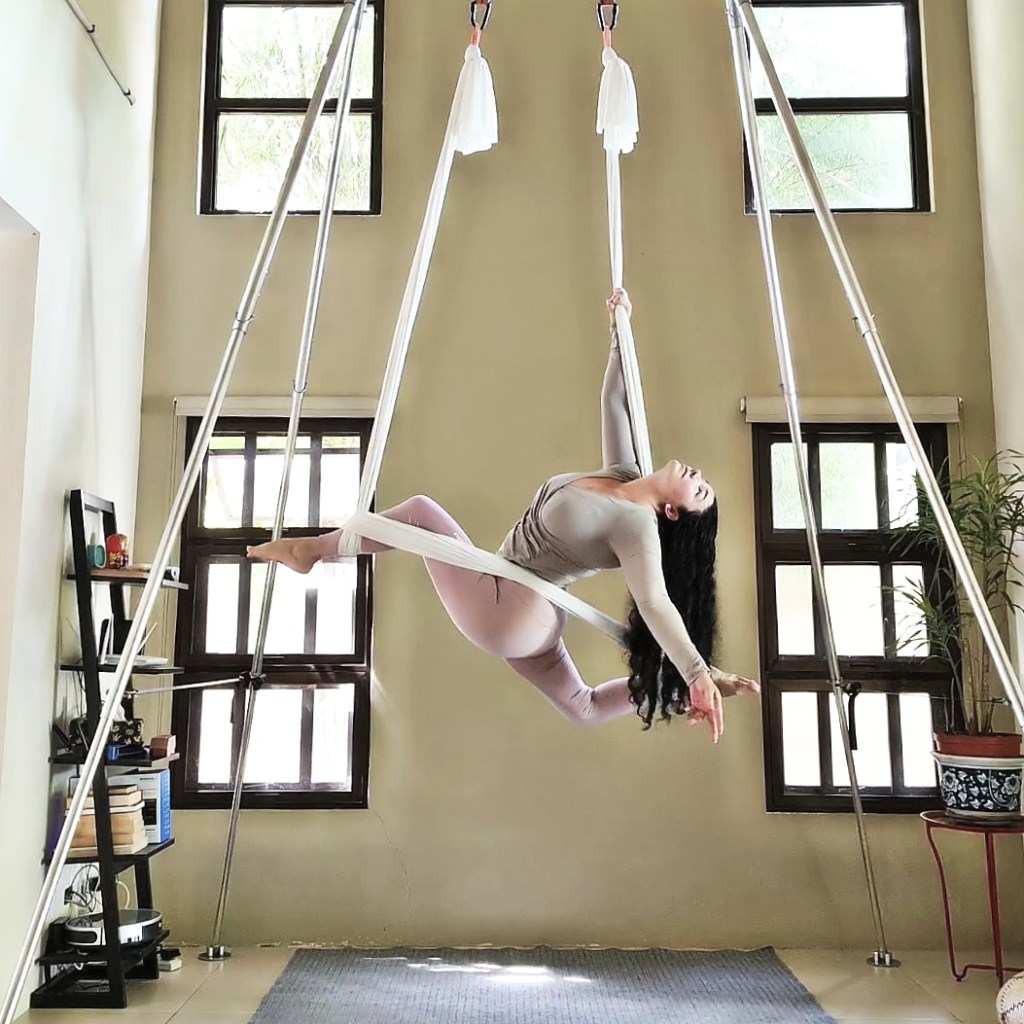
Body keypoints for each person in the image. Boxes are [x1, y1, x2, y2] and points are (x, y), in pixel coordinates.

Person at [249, 290, 758, 740]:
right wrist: (619, 332)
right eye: (703, 482)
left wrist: (696, 670)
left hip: (511, 606)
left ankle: (312, 550)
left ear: (672, 513)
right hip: (526, 612)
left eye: (700, 492)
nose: (699, 476)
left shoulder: (637, 524)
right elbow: (615, 400)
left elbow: (654, 601)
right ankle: (668, 688)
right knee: (583, 708)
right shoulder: (625, 475)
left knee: (421, 512)